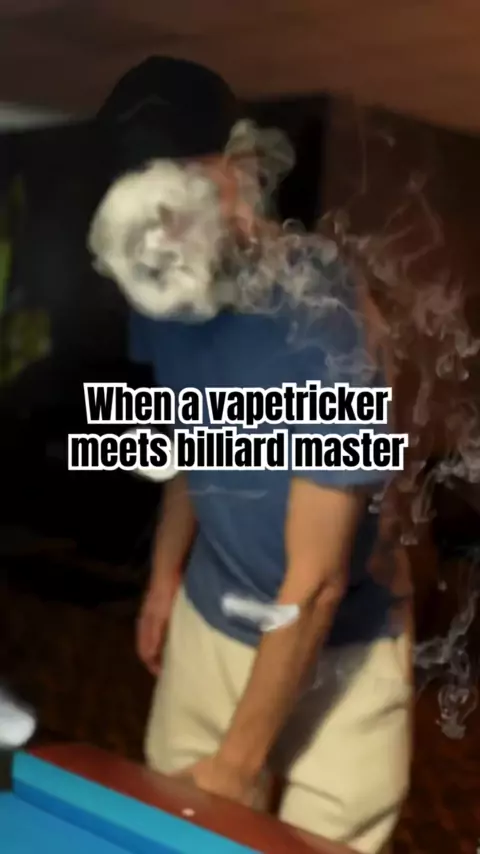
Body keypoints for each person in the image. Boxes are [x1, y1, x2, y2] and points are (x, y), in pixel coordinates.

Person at [89, 57, 412, 854]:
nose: (167, 229)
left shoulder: (327, 317)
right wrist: (165, 574)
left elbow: (318, 581)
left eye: (185, 192)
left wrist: (237, 766)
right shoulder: (162, 292)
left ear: (239, 170)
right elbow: (193, 438)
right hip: (212, 614)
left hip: (340, 648)